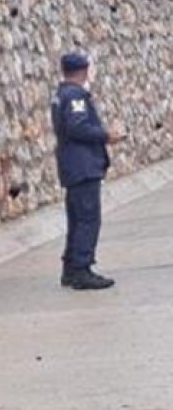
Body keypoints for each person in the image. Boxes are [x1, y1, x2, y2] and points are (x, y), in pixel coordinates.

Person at [51, 52, 123, 290]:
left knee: (77, 218)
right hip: (83, 166)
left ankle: (71, 268)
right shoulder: (75, 96)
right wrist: (106, 135)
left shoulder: (61, 95)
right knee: (88, 219)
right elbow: (78, 127)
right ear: (83, 71)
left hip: (72, 166)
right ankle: (82, 269)